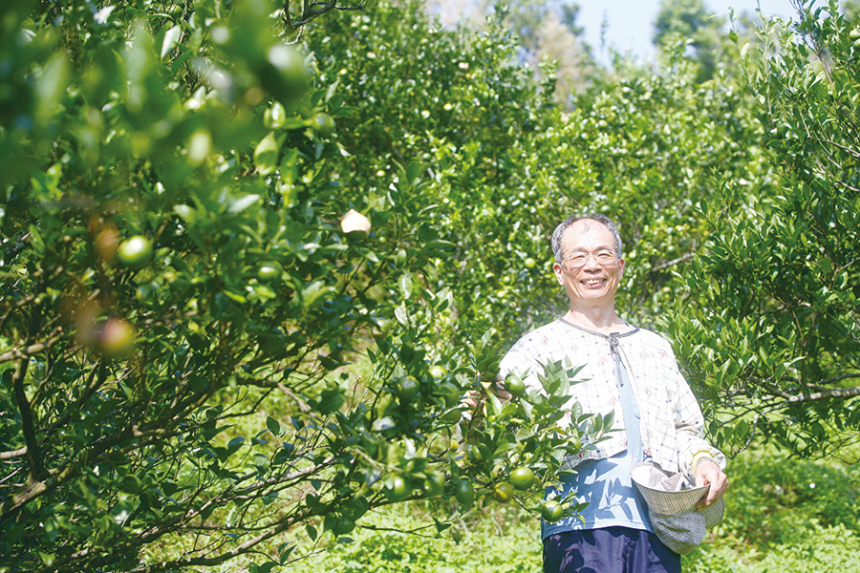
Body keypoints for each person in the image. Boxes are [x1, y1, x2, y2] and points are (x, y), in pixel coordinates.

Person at [497, 214, 728, 573]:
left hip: (659, 530)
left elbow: (685, 427)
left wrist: (704, 461)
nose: (592, 266)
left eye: (604, 255)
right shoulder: (537, 349)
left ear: (619, 266)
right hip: (579, 531)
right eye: (578, 257)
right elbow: (500, 417)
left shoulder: (655, 347)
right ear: (560, 271)